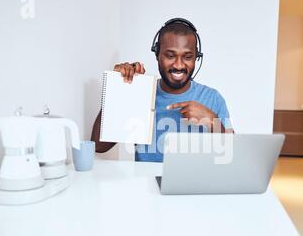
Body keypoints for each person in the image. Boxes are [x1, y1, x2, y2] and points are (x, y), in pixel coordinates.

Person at [91, 18, 234, 162]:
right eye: (170, 56)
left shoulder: (212, 98)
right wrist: (119, 89)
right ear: (157, 54)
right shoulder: (141, 94)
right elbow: (98, 146)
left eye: (188, 57)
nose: (178, 65)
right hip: (147, 183)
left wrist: (211, 120)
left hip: (195, 184)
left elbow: (232, 156)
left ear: (197, 57)